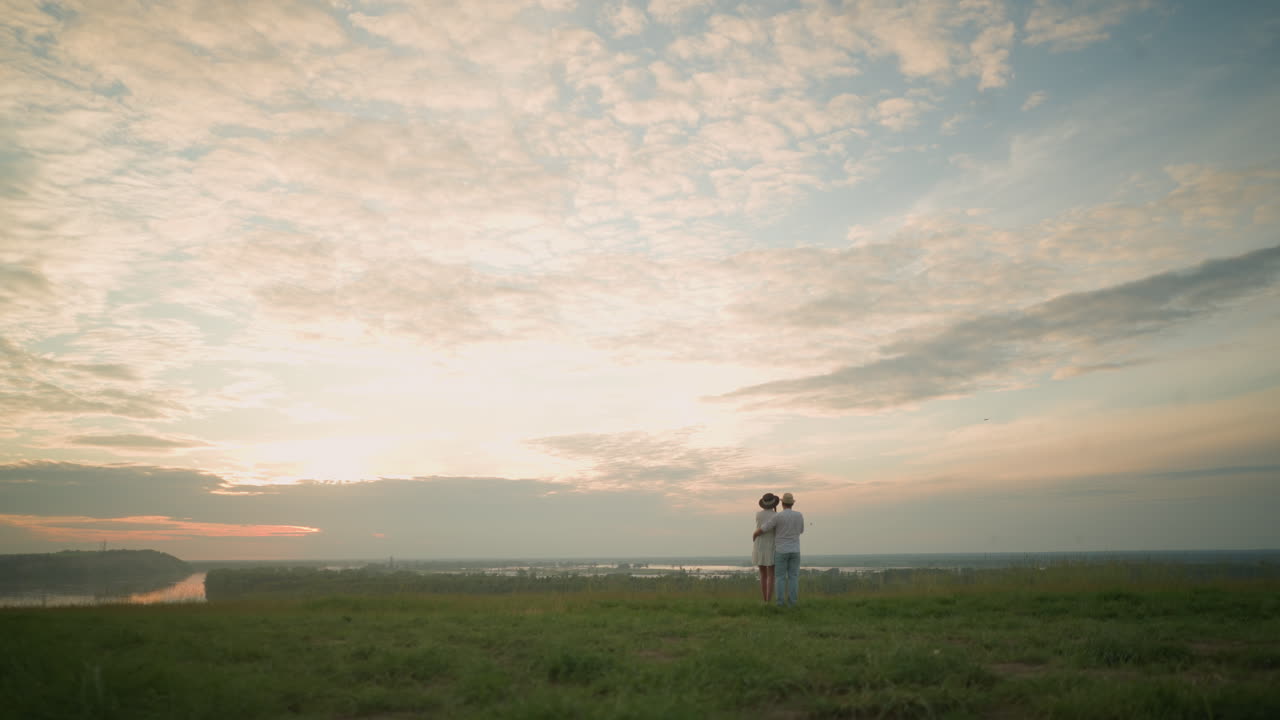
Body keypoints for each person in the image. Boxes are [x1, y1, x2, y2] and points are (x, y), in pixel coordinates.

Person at [753, 492, 804, 607]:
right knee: (793, 577)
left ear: (782, 503)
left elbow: (765, 528)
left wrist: (755, 533)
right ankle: (792, 603)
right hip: (795, 549)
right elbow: (801, 531)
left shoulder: (778, 516)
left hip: (780, 550)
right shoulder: (799, 515)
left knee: (780, 578)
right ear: (792, 504)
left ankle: (779, 603)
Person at [752, 493, 780, 603]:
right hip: (771, 544)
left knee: (762, 574)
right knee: (771, 575)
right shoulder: (776, 515)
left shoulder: (758, 514)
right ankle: (768, 600)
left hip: (759, 544)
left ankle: (764, 600)